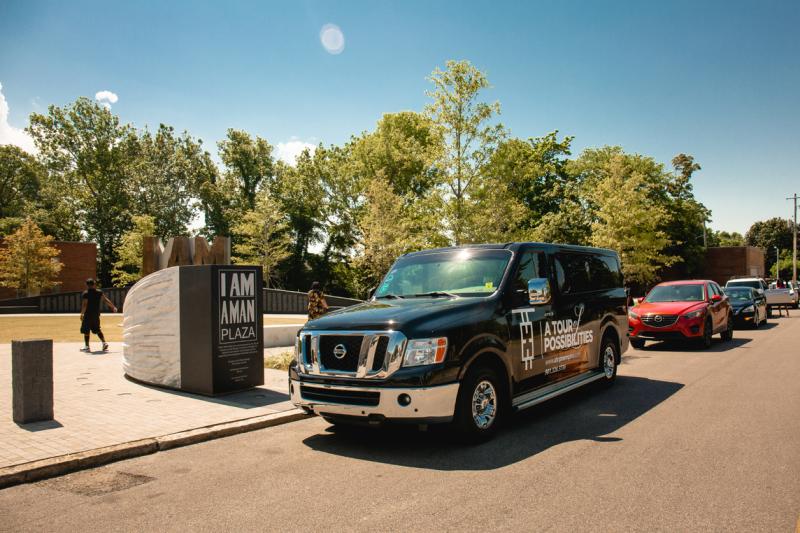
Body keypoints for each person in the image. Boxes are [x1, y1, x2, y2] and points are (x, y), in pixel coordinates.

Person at [80, 278, 118, 352]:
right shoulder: (99, 292)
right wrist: (113, 307)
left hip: (88, 314)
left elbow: (85, 305)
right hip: (96, 314)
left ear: (87, 285)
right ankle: (104, 343)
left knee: (86, 330)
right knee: (97, 329)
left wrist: (82, 314)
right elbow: (106, 300)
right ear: (94, 284)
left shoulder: (86, 293)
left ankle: (87, 346)